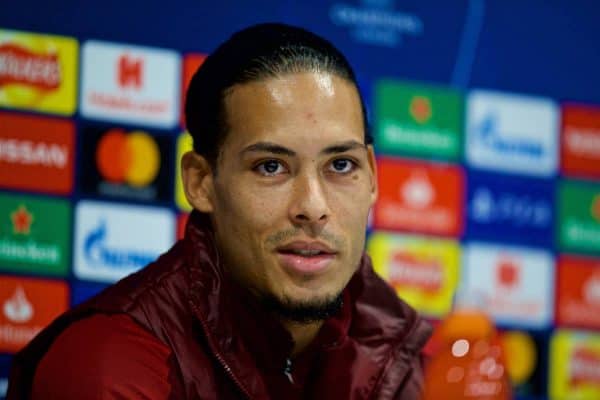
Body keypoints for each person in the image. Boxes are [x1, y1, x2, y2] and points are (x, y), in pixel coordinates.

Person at [8, 23, 432, 399]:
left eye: (341, 165)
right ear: (200, 182)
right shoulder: (110, 366)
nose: (313, 208)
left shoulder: (405, 359)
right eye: (271, 167)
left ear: (373, 177)